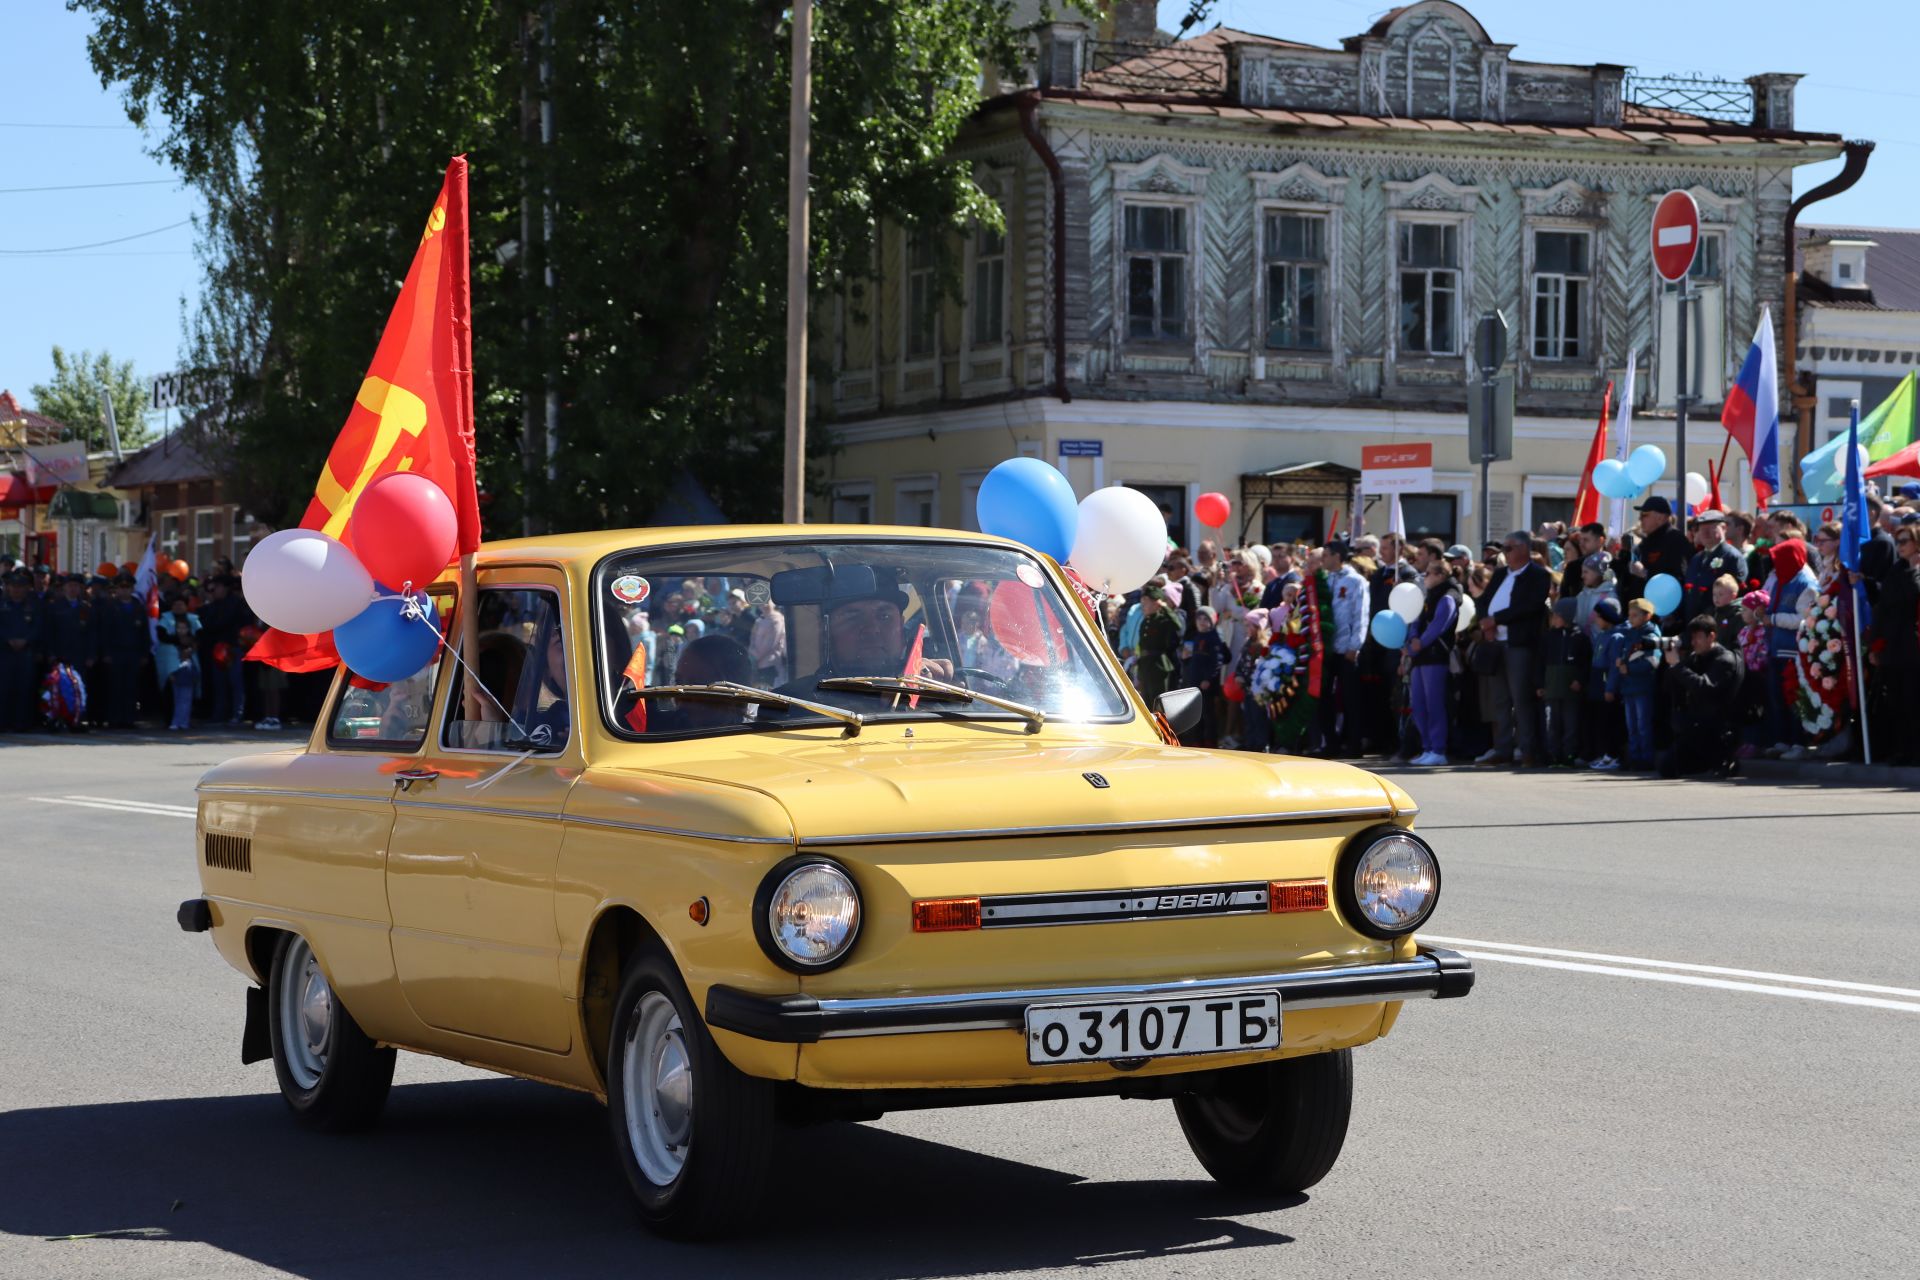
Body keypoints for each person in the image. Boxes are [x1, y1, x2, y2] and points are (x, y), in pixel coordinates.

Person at [1483, 531, 1551, 768]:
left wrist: (1497, 619)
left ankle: (1527, 750)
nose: (1505, 553)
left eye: (1509, 548)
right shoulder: (1501, 573)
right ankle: (1503, 749)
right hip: (1496, 643)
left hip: (1519, 644)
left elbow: (1529, 607)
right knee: (1500, 699)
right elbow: (1485, 600)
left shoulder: (1538, 575)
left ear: (1524, 548)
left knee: (1521, 699)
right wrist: (1485, 622)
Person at [1661, 614, 1744, 777]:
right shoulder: (1695, 657)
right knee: (1667, 766)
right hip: (1697, 724)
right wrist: (1674, 663)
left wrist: (1678, 666)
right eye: (1691, 638)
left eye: (1697, 638)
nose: (1693, 643)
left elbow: (1705, 687)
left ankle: (1726, 759)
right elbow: (1668, 687)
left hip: (1718, 726)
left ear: (1711, 636)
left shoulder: (1724, 660)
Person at [1867, 525, 1920, 764]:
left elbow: (1913, 593)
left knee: (1913, 700)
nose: (1900, 546)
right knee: (1897, 701)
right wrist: (1875, 646)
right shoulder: (1895, 570)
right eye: (1898, 541)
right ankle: (1903, 749)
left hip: (1914, 645)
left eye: (1905, 541)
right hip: (1893, 644)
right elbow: (1882, 608)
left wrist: (1915, 570)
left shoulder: (1914, 572)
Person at [1762, 538, 1817, 754]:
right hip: (1777, 646)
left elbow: (1803, 619)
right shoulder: (1781, 578)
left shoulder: (1806, 583)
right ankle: (1781, 740)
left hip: (1794, 650)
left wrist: (1773, 619)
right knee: (1777, 697)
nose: (1774, 564)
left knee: (1794, 698)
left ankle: (1798, 742)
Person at [1404, 558, 1459, 766]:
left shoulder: (1448, 597)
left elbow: (1438, 626)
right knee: (1418, 704)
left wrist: (1420, 642)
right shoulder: (1428, 597)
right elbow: (1417, 621)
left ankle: (1438, 749)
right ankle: (1426, 747)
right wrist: (1412, 640)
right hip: (1420, 657)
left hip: (1435, 656)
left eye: (1428, 574)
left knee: (1434, 703)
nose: (1424, 577)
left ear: (1440, 576)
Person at [1318, 541, 1368, 757]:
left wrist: (1355, 644)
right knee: (1324, 696)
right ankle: (1331, 743)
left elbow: (1361, 613)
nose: (1323, 560)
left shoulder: (1356, 581)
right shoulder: (1325, 579)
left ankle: (1354, 744)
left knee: (1350, 698)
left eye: (1326, 555)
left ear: (1337, 556)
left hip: (1346, 647)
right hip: (1326, 648)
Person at [1609, 598, 1663, 770]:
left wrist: (1629, 669)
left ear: (1647, 616)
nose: (1630, 619)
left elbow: (1653, 662)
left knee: (1642, 724)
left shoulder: (1651, 636)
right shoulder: (1630, 634)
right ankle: (1635, 757)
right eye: (1629, 615)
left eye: (1635, 615)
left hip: (1643, 687)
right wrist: (1621, 662)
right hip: (1629, 687)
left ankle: (1646, 759)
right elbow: (1629, 655)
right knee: (1631, 725)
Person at [1618, 496, 1691, 622]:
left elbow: (1678, 577)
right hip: (1640, 614)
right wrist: (1624, 555)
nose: (1640, 519)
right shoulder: (1646, 542)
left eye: (1645, 515)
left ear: (1661, 518)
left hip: (1662, 614)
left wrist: (1645, 573)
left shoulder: (1675, 540)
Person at [1541, 599, 1592, 767]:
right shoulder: (1548, 637)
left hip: (1571, 689)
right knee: (1551, 724)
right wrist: (1540, 684)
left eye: (1557, 616)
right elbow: (1540, 663)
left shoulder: (1580, 638)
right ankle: (1554, 756)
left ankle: (1569, 756)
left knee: (1571, 724)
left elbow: (1586, 663)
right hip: (1552, 688)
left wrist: (1580, 680)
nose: (1553, 619)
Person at [0, 569, 43, 732]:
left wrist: (26, 640)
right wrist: (7, 639)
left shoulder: (33, 606)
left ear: (26, 589)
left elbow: (38, 627)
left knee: (24, 688)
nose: (17, 589)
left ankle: (22, 723)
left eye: (20, 586)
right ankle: (3, 722)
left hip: (26, 652)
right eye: (13, 586)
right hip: (5, 652)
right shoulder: (2, 605)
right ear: (8, 587)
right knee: (4, 688)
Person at [1683, 510, 1746, 621]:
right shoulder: (1697, 558)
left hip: (1717, 622)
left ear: (1724, 528)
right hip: (1694, 622)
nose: (1706, 533)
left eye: (1711, 528)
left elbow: (1736, 594)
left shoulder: (1732, 557)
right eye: (1702, 529)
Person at [1585, 599, 1626, 770]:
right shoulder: (1601, 635)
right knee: (1599, 722)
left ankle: (1613, 755)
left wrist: (1610, 688)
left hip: (1606, 685)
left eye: (1599, 617)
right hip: (1596, 684)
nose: (1596, 620)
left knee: (1610, 722)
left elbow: (1613, 667)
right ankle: (1603, 754)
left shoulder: (1616, 637)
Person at [1182, 606, 1230, 747]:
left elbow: (1218, 661)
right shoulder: (1197, 637)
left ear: (1212, 622)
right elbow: (1193, 661)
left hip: (1206, 684)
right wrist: (1185, 658)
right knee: (1197, 715)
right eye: (1199, 619)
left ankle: (1210, 742)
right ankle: (1197, 741)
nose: (1202, 622)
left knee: (1208, 715)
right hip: (1195, 681)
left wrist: (1208, 679)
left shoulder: (1214, 638)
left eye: (1206, 619)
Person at [1133, 584, 1183, 705]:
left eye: (1147, 602)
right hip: (1145, 665)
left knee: (1159, 704)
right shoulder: (1145, 621)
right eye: (1142, 602)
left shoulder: (1163, 620)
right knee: (1146, 703)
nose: (1143, 606)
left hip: (1158, 666)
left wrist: (1165, 607)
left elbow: (1178, 625)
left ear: (1157, 603)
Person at [155, 615, 200, 731]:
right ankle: (176, 721)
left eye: (184, 628)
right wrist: (169, 673)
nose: (181, 630)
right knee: (177, 699)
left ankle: (184, 722)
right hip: (175, 673)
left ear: (189, 629)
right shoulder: (171, 643)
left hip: (188, 672)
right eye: (179, 628)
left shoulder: (193, 642)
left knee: (187, 699)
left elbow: (193, 656)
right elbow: (168, 660)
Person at [748, 598, 787, 687]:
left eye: (766, 602)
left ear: (773, 603)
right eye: (761, 603)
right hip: (758, 665)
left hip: (771, 664)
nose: (764, 605)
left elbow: (770, 643)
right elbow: (752, 639)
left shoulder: (777, 620)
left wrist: (754, 657)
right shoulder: (759, 621)